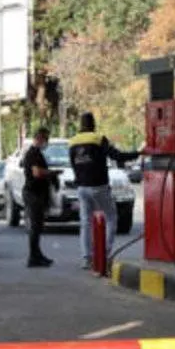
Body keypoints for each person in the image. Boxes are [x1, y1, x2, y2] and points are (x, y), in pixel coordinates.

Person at [69, 112, 139, 269]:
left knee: (85, 223)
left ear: (80, 125)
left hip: (82, 187)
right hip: (99, 186)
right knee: (111, 217)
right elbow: (117, 156)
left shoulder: (72, 142)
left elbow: (73, 165)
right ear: (93, 124)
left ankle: (87, 258)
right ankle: (104, 254)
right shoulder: (99, 139)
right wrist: (138, 153)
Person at [20, 127, 55, 268]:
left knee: (38, 226)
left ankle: (37, 255)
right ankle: (33, 257)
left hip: (37, 193)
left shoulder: (36, 153)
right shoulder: (33, 153)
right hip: (33, 193)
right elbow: (36, 173)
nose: (47, 142)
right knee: (35, 227)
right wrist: (51, 173)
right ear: (39, 138)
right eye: (46, 139)